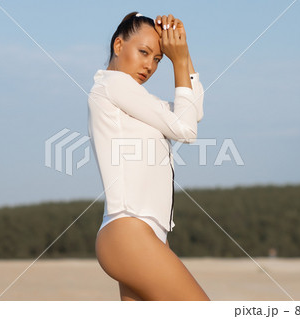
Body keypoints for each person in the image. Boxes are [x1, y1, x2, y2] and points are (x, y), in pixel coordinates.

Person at [87, 11, 209, 301]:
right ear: (118, 46)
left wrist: (183, 52)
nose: (150, 65)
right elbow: (185, 130)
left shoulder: (136, 102)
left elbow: (193, 111)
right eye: (143, 52)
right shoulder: (112, 84)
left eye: (157, 58)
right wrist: (177, 61)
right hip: (130, 232)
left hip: (142, 238)